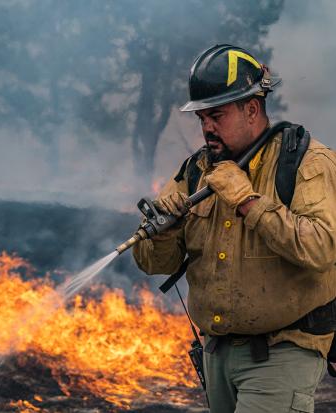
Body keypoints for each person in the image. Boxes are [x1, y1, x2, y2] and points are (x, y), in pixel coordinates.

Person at [132, 44, 336, 413]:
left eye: (217, 115)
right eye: (202, 118)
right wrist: (162, 230)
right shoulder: (196, 171)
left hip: (281, 354)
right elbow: (154, 263)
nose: (207, 127)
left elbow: (321, 248)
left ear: (252, 108)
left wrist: (247, 199)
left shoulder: (307, 162)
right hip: (217, 354)